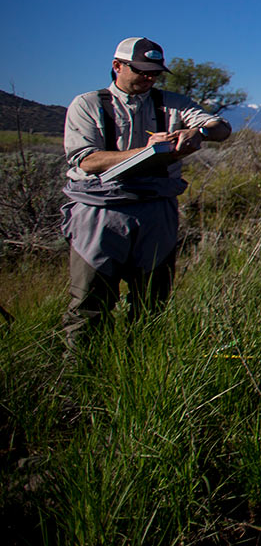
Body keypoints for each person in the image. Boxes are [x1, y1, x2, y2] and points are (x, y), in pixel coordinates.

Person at [60, 36, 231, 349]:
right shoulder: (87, 105)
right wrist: (145, 151)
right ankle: (76, 384)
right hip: (100, 214)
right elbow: (87, 159)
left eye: (155, 73)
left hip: (156, 212)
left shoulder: (172, 103)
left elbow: (221, 128)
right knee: (88, 305)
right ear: (117, 66)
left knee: (153, 303)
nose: (149, 78)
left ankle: (141, 371)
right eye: (142, 71)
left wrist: (199, 131)